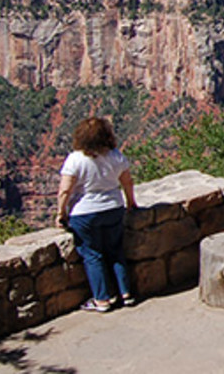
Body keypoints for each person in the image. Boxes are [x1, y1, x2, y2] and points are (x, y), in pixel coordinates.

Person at [56, 117, 137, 313]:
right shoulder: (116, 156)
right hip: (113, 209)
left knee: (92, 255)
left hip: (85, 213)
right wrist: (130, 203)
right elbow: (127, 182)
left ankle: (102, 299)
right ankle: (126, 293)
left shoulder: (75, 159)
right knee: (115, 250)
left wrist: (61, 213)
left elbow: (65, 190)